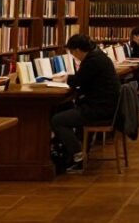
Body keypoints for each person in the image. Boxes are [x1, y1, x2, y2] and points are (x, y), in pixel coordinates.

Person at [50, 34, 121, 173]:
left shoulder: (92, 61)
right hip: (107, 106)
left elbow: (79, 81)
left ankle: (78, 156)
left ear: (77, 50)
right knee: (66, 109)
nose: (73, 56)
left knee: (57, 120)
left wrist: (66, 79)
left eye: (72, 53)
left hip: (98, 109)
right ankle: (76, 150)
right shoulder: (98, 55)